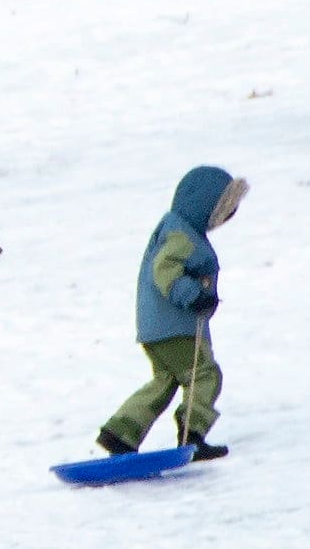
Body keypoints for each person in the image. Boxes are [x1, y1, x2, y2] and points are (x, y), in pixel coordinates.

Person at [98, 164, 244, 462]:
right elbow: (164, 269)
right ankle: (193, 434)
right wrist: (193, 297)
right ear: (206, 206)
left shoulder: (176, 228)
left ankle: (120, 433)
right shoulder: (183, 237)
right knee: (204, 374)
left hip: (156, 326)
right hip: (176, 326)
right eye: (224, 209)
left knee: (165, 380)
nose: (228, 217)